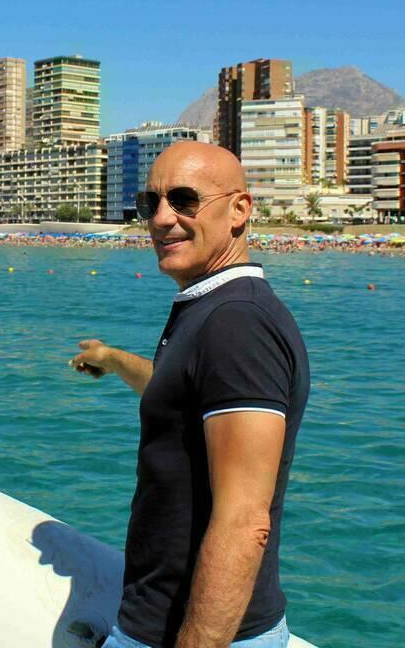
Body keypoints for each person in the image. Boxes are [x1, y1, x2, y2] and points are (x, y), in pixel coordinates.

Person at [71, 141, 309, 648]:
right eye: (149, 203)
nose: (161, 219)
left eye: (184, 200)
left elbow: (245, 522)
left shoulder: (236, 324)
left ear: (240, 210)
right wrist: (112, 359)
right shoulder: (211, 309)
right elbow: (175, 390)